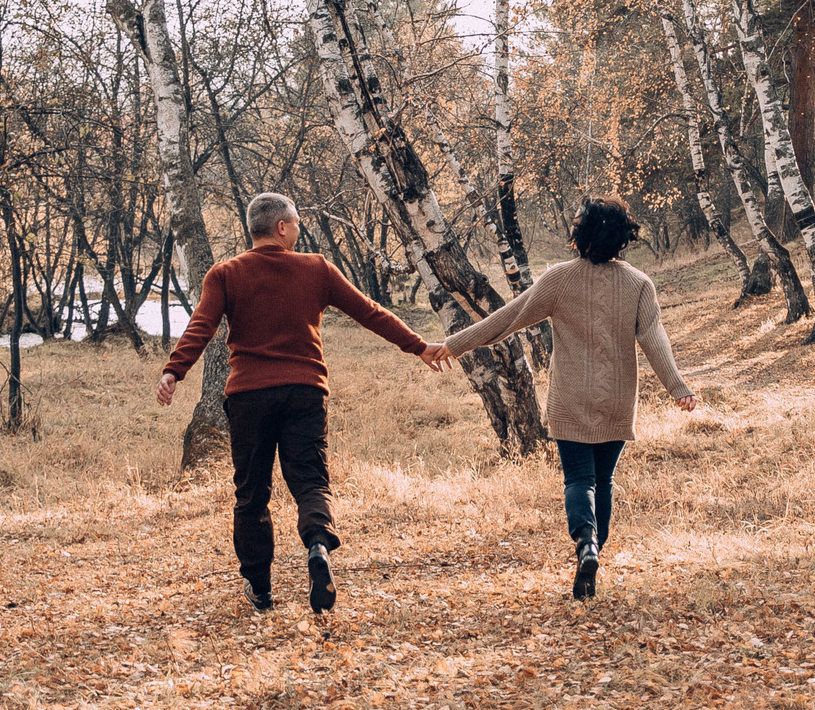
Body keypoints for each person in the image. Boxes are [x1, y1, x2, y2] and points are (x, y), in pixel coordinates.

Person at [159, 192, 448, 615]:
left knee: (252, 494)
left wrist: (174, 371)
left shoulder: (225, 274)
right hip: (305, 392)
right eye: (295, 223)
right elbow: (369, 312)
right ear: (281, 228)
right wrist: (418, 345)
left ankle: (260, 590)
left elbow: (200, 326)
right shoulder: (316, 268)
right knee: (311, 482)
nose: (299, 229)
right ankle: (317, 546)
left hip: (248, 398)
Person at [426, 196, 697, 600]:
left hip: (570, 398)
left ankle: (585, 542)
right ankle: (594, 554)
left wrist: (454, 343)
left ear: (580, 235)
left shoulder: (559, 279)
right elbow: (655, 341)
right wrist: (679, 388)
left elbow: (508, 318)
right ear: (623, 238)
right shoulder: (640, 284)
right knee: (602, 481)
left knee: (578, 479)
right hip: (618, 398)